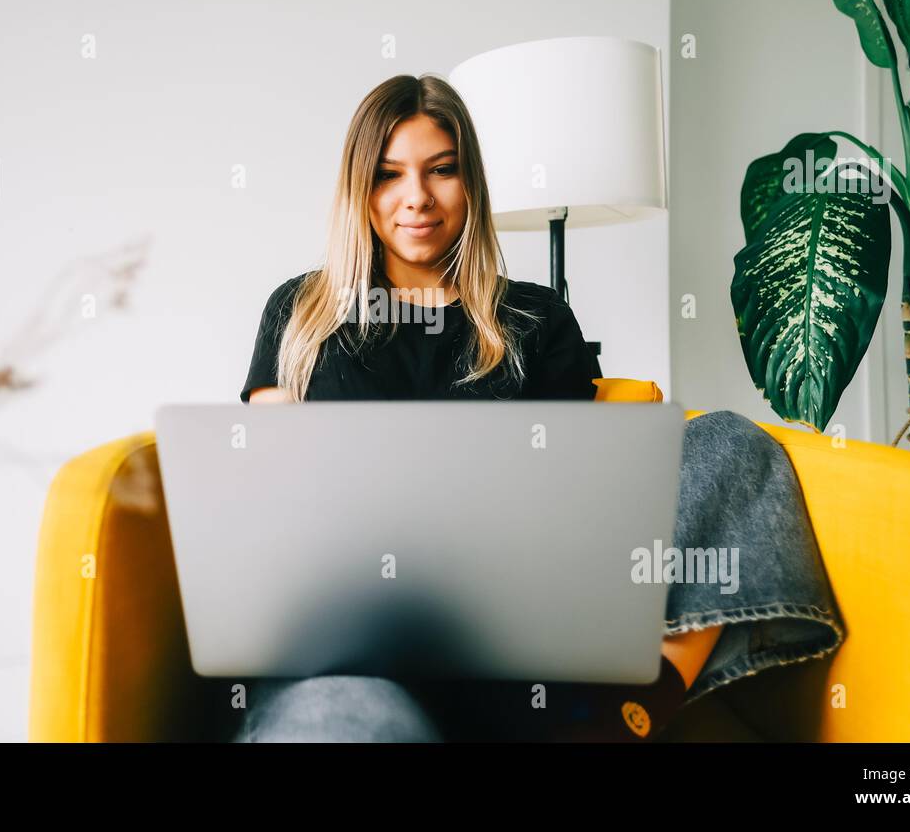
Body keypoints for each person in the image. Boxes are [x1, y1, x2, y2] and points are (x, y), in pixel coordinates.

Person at [226, 73, 845, 742]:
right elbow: (277, 500)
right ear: (359, 188)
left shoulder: (535, 317)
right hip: (349, 651)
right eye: (388, 175)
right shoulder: (302, 312)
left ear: (473, 184)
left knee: (727, 441)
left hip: (509, 639)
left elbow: (578, 499)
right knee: (347, 725)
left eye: (442, 171)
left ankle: (633, 710)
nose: (417, 199)